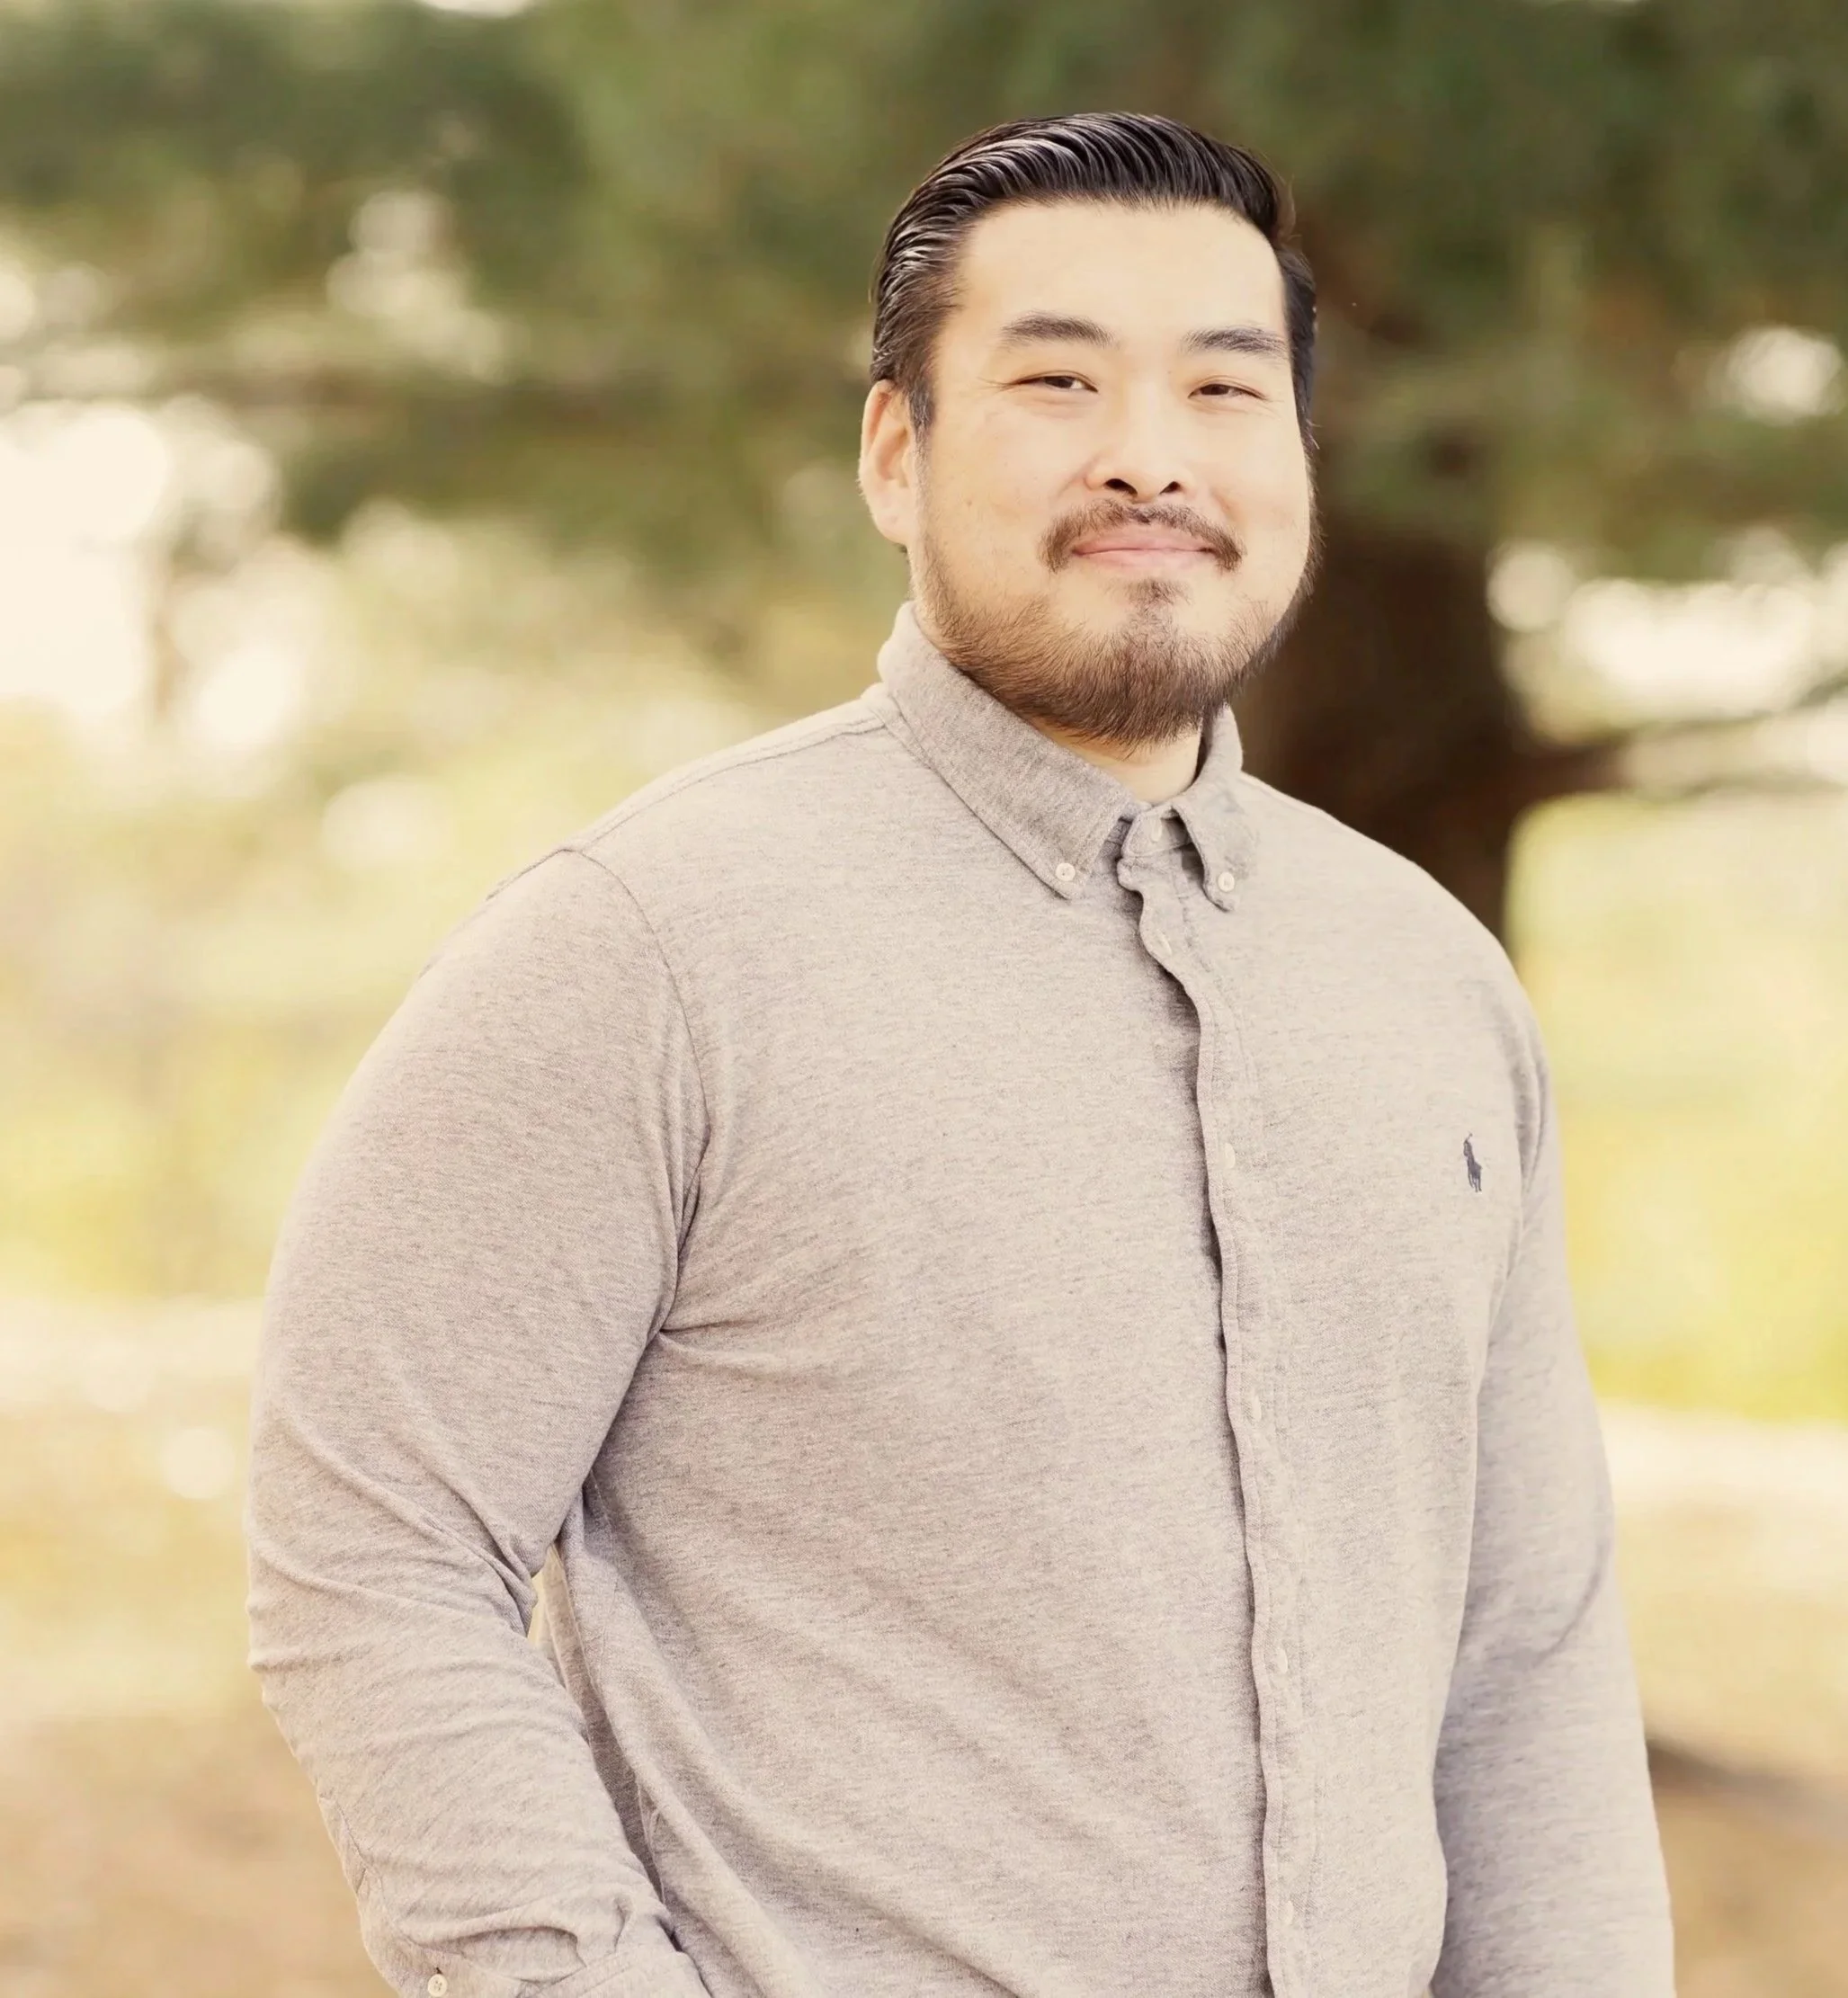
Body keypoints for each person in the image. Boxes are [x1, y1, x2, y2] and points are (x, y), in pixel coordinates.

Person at [246, 111, 1675, 1998]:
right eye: (1056, 377)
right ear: (895, 454)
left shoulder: (1426, 977)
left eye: (1223, 389)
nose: (1148, 455)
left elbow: (1525, 1646)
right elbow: (372, 1544)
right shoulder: (645, 948)